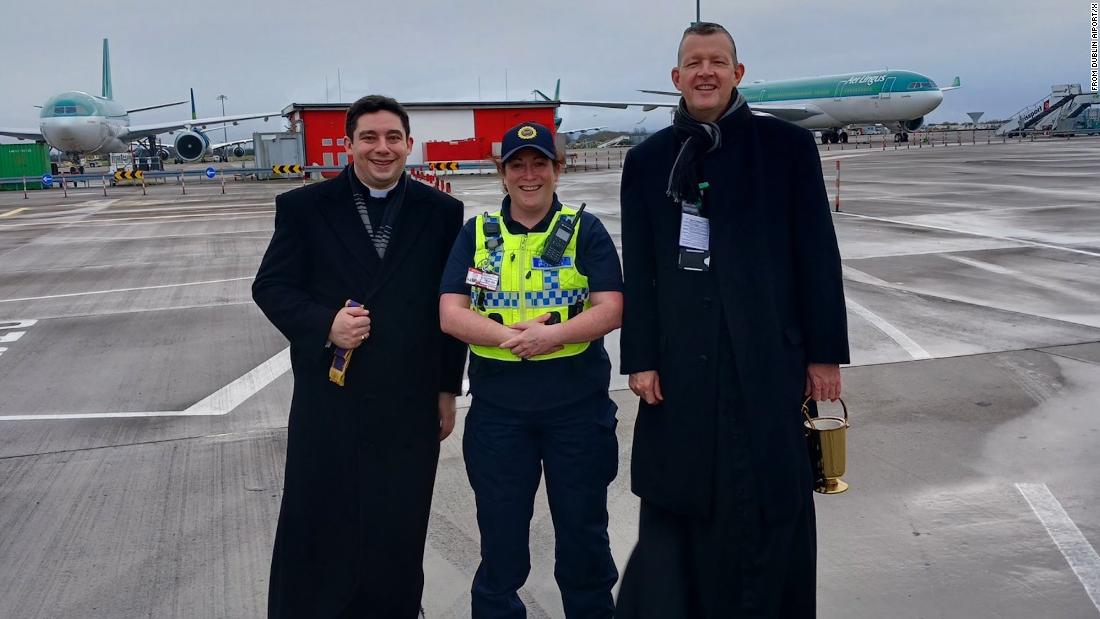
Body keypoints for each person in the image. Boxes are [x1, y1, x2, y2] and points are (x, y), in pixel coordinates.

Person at [614, 22, 850, 618]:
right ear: (676, 77)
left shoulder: (788, 149)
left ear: (738, 73)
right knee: (687, 492)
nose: (706, 72)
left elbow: (817, 254)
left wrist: (824, 355)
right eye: (694, 62)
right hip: (682, 365)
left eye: (718, 61)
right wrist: (639, 356)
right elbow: (637, 267)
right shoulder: (647, 162)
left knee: (771, 493)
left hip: (770, 359)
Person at [252, 94, 466, 618]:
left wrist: (446, 387)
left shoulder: (441, 213)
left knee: (399, 516)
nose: (382, 148)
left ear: (410, 144)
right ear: (348, 145)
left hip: (408, 396)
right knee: (320, 515)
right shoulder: (304, 208)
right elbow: (272, 286)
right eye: (369, 137)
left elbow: (451, 306)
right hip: (332, 395)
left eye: (393, 137)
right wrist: (325, 323)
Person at [439, 121, 623, 619]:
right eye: (516, 165)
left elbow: (611, 307)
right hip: (500, 414)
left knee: (584, 534)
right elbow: (450, 313)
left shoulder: (586, 230)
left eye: (539, 163)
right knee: (500, 539)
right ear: (502, 173)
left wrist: (553, 335)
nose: (528, 175)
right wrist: (510, 338)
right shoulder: (478, 234)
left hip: (576, 411)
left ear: (558, 169)